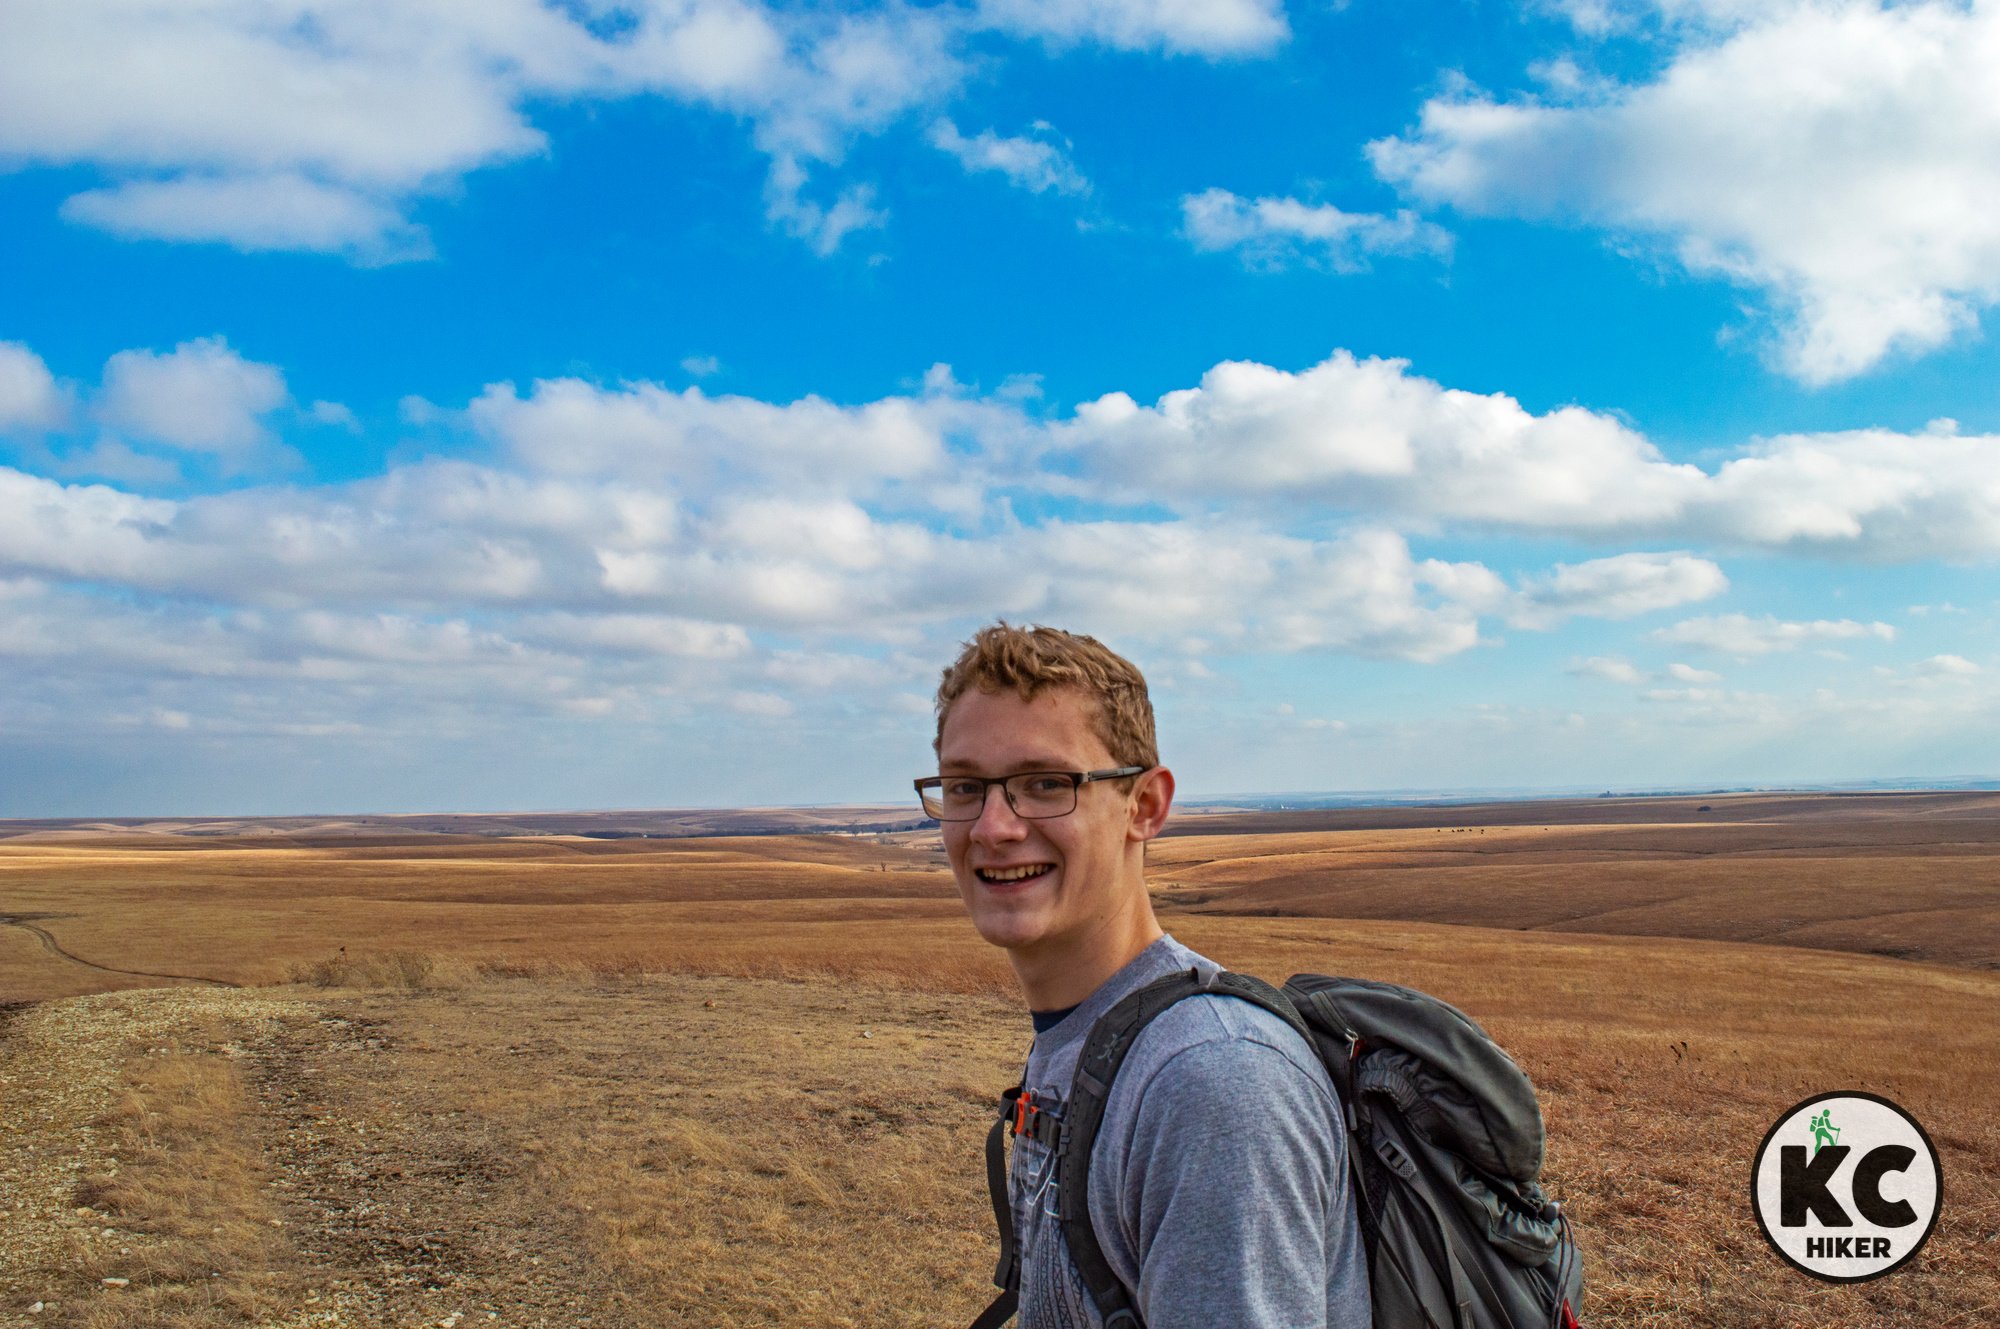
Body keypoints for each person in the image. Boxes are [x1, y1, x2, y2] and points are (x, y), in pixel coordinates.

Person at [921, 623, 1370, 1328]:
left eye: (1045, 784)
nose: (994, 826)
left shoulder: (1210, 1081)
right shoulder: (1090, 1034)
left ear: (1146, 806)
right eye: (965, 785)